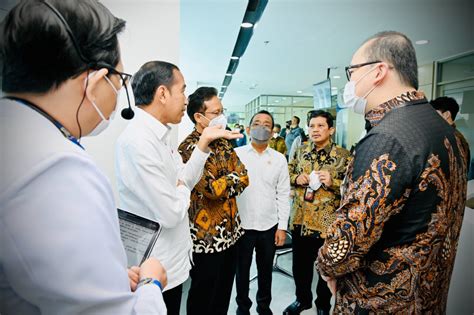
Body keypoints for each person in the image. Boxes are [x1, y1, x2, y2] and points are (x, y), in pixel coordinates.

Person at [0, 1, 169, 313]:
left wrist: (108, 277)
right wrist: (151, 282)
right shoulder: (55, 170)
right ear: (95, 81)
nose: (118, 93)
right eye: (119, 80)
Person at [316, 31, 470, 313]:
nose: (350, 82)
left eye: (352, 72)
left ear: (378, 71)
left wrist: (326, 268)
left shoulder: (388, 139)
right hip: (430, 297)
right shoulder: (452, 135)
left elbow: (347, 242)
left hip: (380, 302)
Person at [115, 63, 242, 315]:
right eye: (182, 91)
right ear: (162, 94)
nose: (186, 99)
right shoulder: (139, 142)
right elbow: (172, 211)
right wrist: (182, 187)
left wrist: (203, 144)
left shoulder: (161, 137)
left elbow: (185, 178)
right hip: (155, 268)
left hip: (172, 264)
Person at [178, 86, 249, 315]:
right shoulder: (189, 148)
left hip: (231, 234)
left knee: (222, 296)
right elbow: (210, 189)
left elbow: (244, 175)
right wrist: (231, 179)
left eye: (222, 110)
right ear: (199, 117)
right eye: (215, 112)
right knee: (202, 298)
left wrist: (226, 180)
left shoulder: (224, 143)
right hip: (206, 239)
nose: (221, 116)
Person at [284, 110, 351, 315]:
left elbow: (352, 187)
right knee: (300, 266)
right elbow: (288, 172)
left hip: (327, 220)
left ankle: (323, 304)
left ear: (330, 129)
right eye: (312, 126)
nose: (315, 130)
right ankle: (302, 300)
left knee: (326, 265)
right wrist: (297, 179)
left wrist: (333, 182)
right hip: (301, 218)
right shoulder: (300, 149)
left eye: (320, 126)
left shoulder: (343, 155)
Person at [234, 111, 291, 315]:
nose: (262, 127)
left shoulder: (279, 159)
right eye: (257, 123)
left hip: (269, 226)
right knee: (241, 271)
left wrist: (282, 227)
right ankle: (242, 306)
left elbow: (283, 194)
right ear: (248, 129)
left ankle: (264, 306)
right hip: (242, 227)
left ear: (273, 131)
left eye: (267, 124)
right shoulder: (236, 155)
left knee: (265, 271)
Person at [431, 96, 470, 174]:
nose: (430, 117)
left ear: (447, 114)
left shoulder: (447, 137)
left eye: (434, 113)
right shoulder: (457, 136)